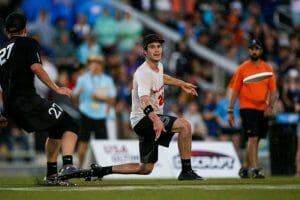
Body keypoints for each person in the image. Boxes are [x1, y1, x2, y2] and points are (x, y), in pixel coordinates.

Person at [73, 33, 205, 181]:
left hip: (147, 119)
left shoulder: (158, 66)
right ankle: (186, 171)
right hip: (144, 119)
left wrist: (181, 83)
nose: (156, 50)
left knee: (145, 168)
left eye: (159, 46)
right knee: (185, 125)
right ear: (145, 52)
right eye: (152, 47)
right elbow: (144, 101)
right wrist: (156, 121)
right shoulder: (143, 73)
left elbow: (162, 77)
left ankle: (101, 171)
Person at [0, 12, 80, 186]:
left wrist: (3, 111)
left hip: (10, 106)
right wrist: (57, 88)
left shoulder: (2, 51)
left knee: (56, 129)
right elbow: (36, 67)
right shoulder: (29, 43)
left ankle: (51, 175)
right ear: (26, 29)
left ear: (7, 31)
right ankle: (67, 166)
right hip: (28, 100)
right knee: (70, 124)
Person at [228, 39, 277, 179]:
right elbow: (235, 90)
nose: (253, 51)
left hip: (262, 107)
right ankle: (255, 169)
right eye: (251, 49)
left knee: (257, 138)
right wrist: (230, 110)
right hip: (247, 107)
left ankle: (245, 167)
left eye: (256, 48)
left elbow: (273, 90)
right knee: (253, 137)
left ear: (260, 50)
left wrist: (271, 106)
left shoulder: (268, 68)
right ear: (248, 50)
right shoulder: (242, 68)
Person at [73, 55, 116, 168]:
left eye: (97, 63)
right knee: (83, 143)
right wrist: (77, 95)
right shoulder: (83, 79)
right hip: (85, 113)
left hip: (100, 115)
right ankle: (79, 168)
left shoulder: (107, 80)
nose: (94, 65)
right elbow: (73, 96)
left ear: (101, 65)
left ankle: (102, 170)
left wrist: (100, 98)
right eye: (92, 63)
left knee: (102, 145)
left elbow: (112, 100)